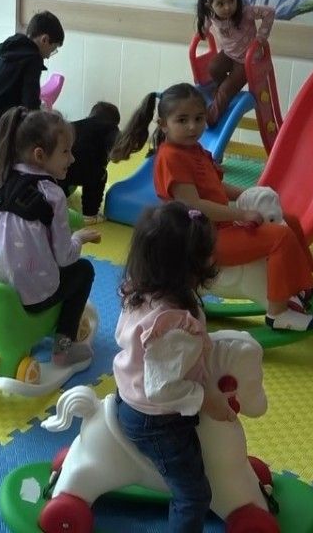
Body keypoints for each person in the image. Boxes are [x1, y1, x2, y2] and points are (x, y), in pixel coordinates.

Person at [112, 83, 313, 331]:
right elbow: (194, 204)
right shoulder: (171, 157)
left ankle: (302, 288)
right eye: (182, 120)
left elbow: (216, 187)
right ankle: (278, 313)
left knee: (290, 220)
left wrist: (251, 194)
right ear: (163, 124)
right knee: (280, 237)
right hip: (200, 240)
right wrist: (242, 213)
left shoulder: (195, 149)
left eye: (199, 118)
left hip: (221, 227)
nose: (192, 126)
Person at [113, 200, 235, 532]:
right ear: (189, 270)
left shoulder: (140, 291)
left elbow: (125, 338)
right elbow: (162, 389)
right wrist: (206, 398)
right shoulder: (175, 328)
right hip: (155, 419)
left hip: (131, 391)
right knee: (194, 496)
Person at [0, 107, 102, 367]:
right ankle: (63, 349)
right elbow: (65, 257)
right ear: (40, 155)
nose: (72, 159)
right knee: (83, 271)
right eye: (65, 152)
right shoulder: (52, 194)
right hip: (33, 295)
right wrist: (79, 238)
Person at [0, 11, 65, 196]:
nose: (50, 55)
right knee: (34, 139)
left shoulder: (9, 47)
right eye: (53, 49)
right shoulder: (33, 59)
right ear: (44, 39)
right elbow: (30, 103)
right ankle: (16, 185)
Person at [193, 0, 275, 126]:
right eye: (220, 4)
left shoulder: (245, 12)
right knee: (213, 67)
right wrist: (202, 31)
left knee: (226, 89)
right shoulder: (212, 15)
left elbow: (269, 12)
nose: (227, 7)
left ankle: (210, 119)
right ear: (210, 6)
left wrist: (261, 37)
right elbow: (205, 26)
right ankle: (224, 91)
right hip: (229, 54)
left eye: (231, 0)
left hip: (248, 61)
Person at [60, 101, 121, 224]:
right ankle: (90, 214)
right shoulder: (111, 129)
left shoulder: (72, 125)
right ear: (114, 122)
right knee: (100, 176)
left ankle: (57, 199)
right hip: (89, 171)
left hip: (62, 168)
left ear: (90, 115)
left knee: (62, 177)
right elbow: (115, 150)